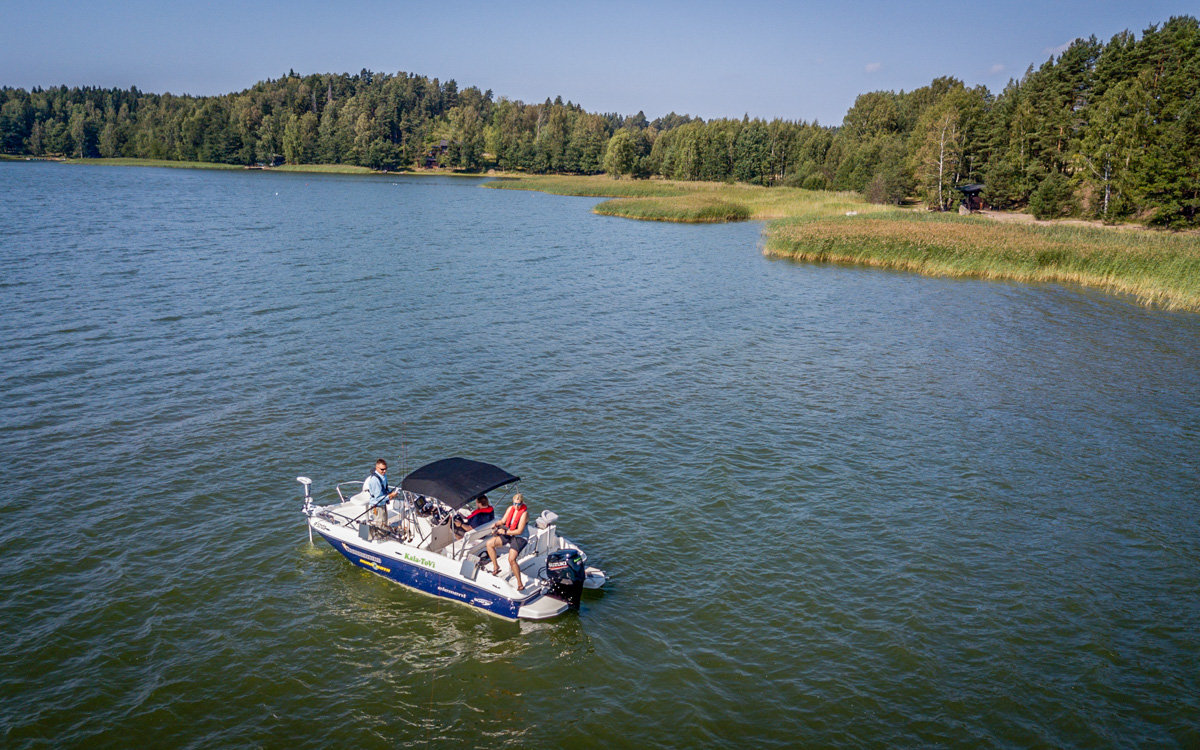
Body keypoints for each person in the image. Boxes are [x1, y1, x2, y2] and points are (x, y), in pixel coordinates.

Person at [486, 493, 530, 590]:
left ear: (522, 503)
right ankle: (496, 567)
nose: (516, 506)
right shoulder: (510, 509)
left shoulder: (524, 514)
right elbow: (503, 521)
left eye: (518, 504)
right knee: (489, 544)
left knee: (511, 559)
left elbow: (519, 531)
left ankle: (519, 583)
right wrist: (496, 524)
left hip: (520, 537)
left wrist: (505, 531)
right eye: (514, 503)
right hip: (509, 533)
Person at [364, 458, 399, 526]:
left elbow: (385, 488)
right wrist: (389, 496)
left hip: (383, 504)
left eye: (386, 469)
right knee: (381, 525)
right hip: (377, 506)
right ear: (376, 468)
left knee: (384, 522)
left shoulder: (383, 476)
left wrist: (390, 494)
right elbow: (378, 499)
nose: (384, 471)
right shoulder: (375, 481)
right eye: (382, 469)